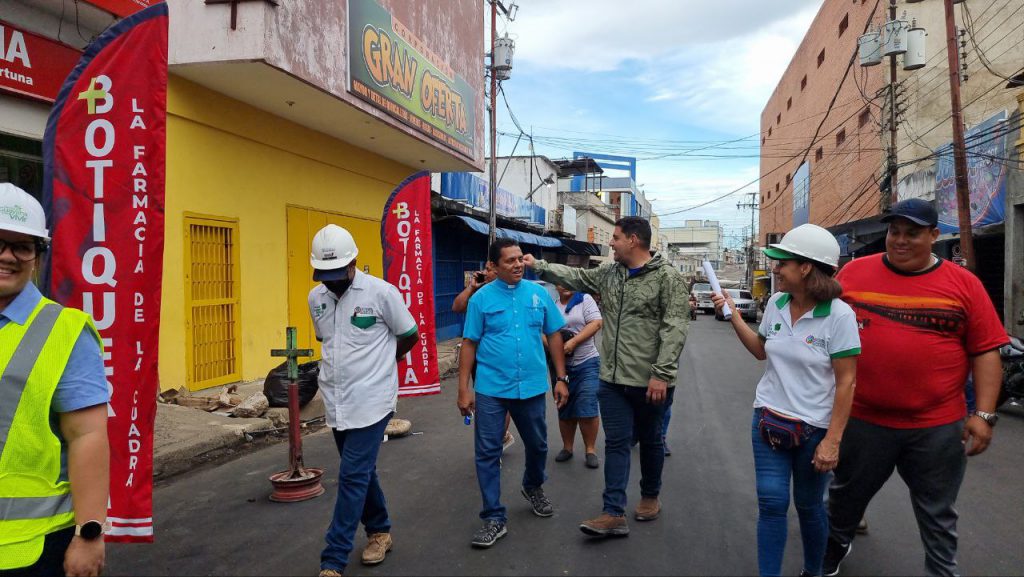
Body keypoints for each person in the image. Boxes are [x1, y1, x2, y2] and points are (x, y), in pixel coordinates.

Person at [824, 199, 1008, 577]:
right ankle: (831, 551)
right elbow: (819, 323)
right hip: (863, 419)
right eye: (894, 232)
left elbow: (986, 352)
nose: (900, 240)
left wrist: (984, 414)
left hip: (936, 426)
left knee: (938, 512)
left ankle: (941, 571)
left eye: (912, 233)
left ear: (934, 235)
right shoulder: (855, 273)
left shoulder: (964, 285)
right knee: (844, 497)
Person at [523, 216, 689, 537]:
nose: (610, 242)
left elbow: (675, 328)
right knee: (616, 442)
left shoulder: (667, 278)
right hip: (611, 380)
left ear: (634, 240)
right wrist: (539, 266)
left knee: (652, 440)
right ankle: (613, 511)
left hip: (651, 381)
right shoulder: (609, 273)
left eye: (615, 237)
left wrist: (662, 374)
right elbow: (578, 276)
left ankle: (650, 496)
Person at [712, 223, 859, 577]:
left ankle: (814, 571)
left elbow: (847, 382)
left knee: (809, 508)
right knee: (772, 503)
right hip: (768, 420)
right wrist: (733, 315)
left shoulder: (840, 316)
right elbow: (761, 352)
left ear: (806, 268)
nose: (776, 269)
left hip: (815, 430)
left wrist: (833, 442)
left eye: (782, 263)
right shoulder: (777, 304)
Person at [0, 183, 109, 577]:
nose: (8, 257)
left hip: (34, 549)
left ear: (37, 257)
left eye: (22, 246)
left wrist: (90, 532)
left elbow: (88, 436)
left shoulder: (64, 331)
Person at [309, 224, 419, 577]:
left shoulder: (381, 293)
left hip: (372, 399)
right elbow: (327, 340)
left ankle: (333, 558)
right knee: (362, 472)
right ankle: (380, 531)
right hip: (336, 400)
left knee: (352, 476)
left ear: (354, 262)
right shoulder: (316, 298)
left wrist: (385, 363)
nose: (332, 281)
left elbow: (409, 334)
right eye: (325, 276)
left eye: (337, 274)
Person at [457, 239, 569, 548]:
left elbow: (554, 334)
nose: (518, 264)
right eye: (510, 261)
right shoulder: (481, 300)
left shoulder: (538, 294)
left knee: (538, 445)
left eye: (520, 259)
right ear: (493, 266)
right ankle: (493, 516)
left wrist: (561, 377)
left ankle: (532, 486)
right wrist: (463, 390)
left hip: (531, 386)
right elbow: (469, 343)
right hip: (493, 388)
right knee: (487, 452)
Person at [452, 266, 515, 453]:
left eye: (490, 269)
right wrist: (472, 287)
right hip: (479, 359)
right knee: (484, 404)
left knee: (503, 402)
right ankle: (497, 440)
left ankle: (495, 445)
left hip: (502, 360)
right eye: (485, 269)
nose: (486, 272)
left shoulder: (508, 294)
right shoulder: (479, 295)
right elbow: (457, 307)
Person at [552, 285, 603, 469]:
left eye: (568, 281)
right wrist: (555, 348)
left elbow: (596, 323)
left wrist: (573, 341)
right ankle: (568, 447)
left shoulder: (584, 300)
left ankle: (590, 449)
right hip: (560, 365)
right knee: (564, 405)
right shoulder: (553, 305)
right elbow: (543, 332)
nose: (564, 286)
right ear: (555, 285)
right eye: (560, 282)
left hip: (587, 362)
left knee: (587, 404)